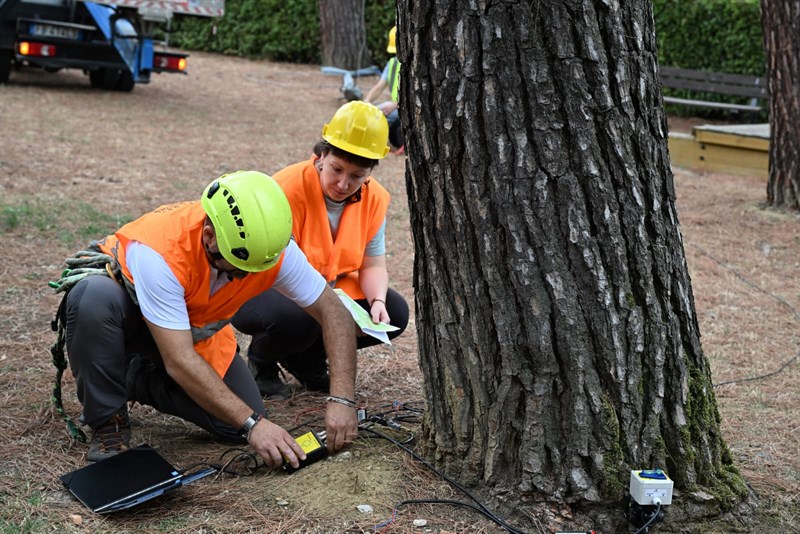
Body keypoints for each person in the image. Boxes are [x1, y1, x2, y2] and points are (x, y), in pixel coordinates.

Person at [56, 171, 359, 464]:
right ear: (209, 235)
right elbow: (179, 359)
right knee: (93, 298)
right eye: (237, 268)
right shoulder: (160, 251)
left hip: (189, 332)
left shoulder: (270, 250)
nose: (243, 277)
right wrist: (254, 425)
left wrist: (343, 400)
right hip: (127, 315)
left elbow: (333, 311)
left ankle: (130, 375)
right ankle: (108, 420)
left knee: (233, 424)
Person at [231, 101, 409, 399]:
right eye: (337, 169)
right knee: (300, 318)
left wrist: (377, 300)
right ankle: (262, 361)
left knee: (396, 313)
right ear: (322, 155)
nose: (343, 183)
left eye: (357, 176)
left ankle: (305, 359)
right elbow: (266, 266)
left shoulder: (376, 198)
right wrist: (322, 299)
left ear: (371, 171)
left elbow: (373, 264)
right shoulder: (285, 188)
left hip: (329, 286)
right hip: (265, 288)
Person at [363, 26, 403, 151]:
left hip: (407, 109)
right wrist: (366, 103)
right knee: (374, 113)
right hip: (396, 106)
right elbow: (379, 86)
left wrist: (395, 105)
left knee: (388, 115)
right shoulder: (392, 63)